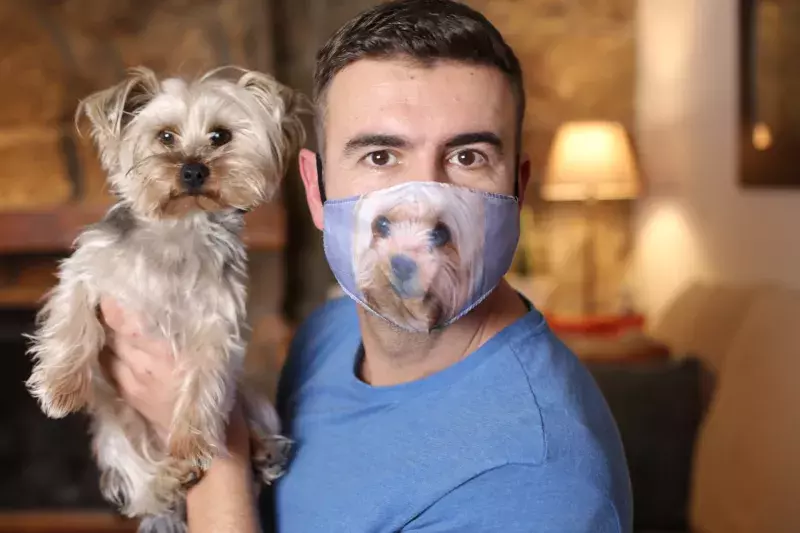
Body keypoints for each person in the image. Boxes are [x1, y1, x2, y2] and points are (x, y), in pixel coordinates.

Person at [101, 0, 633, 531]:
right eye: (380, 156)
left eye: (467, 157)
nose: (423, 207)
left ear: (518, 191)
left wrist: (211, 450)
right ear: (316, 190)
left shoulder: (533, 486)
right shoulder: (328, 332)